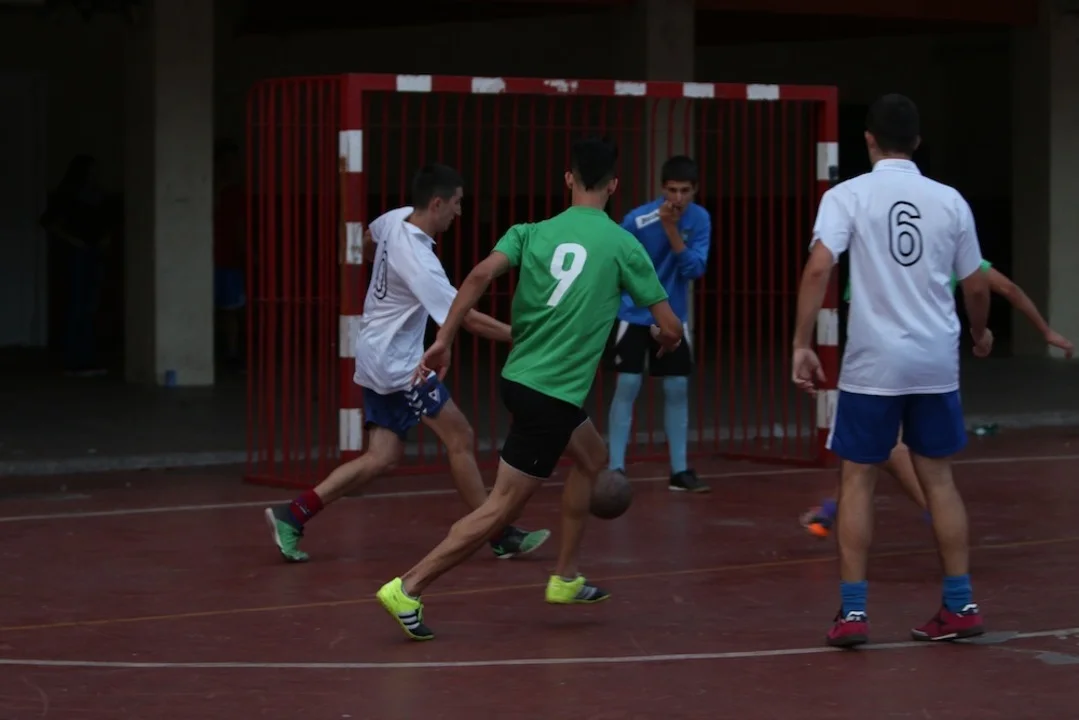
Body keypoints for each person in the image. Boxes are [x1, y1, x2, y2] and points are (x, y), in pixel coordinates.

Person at [375, 137, 684, 641]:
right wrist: (662, 340)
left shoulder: (529, 232)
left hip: (521, 380)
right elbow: (670, 327)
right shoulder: (624, 244)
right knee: (501, 507)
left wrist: (444, 339)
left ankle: (564, 576)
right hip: (552, 396)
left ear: (568, 179)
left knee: (592, 456)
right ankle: (408, 587)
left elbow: (478, 276)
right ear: (614, 185)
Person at [263, 164, 551, 563]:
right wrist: (525, 335)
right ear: (437, 203)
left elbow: (367, 240)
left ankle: (292, 515)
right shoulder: (420, 260)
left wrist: (385, 276)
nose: (459, 212)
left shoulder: (395, 218)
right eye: (457, 204)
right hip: (398, 364)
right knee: (460, 436)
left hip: (375, 352)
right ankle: (495, 532)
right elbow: (466, 317)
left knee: (381, 456)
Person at [790, 93, 992, 648]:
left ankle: (854, 614)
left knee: (857, 477)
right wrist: (979, 333)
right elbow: (975, 285)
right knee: (939, 479)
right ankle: (960, 604)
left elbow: (818, 268)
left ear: (868, 139)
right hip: (935, 360)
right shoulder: (950, 200)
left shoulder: (847, 195)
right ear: (918, 142)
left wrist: (801, 343)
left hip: (874, 362)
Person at [800, 262, 1074, 538]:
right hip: (933, 363)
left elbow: (855, 313)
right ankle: (834, 507)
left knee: (884, 444)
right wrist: (1045, 331)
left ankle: (936, 511)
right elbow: (1006, 288)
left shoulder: (874, 255)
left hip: (885, 363)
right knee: (875, 446)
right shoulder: (949, 249)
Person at [604, 156, 711, 493]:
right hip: (634, 313)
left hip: (673, 316)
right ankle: (615, 468)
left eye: (685, 191)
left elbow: (694, 269)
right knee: (628, 384)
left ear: (694, 190)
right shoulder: (637, 219)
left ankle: (679, 470)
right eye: (672, 190)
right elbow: (614, 257)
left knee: (676, 387)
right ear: (662, 188)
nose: (677, 198)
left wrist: (671, 231)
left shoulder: (700, 219)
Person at [40, 154, 113, 376]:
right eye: (92, 170)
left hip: (95, 252)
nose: (96, 175)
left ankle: (86, 357)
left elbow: (106, 222)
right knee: (77, 305)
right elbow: (48, 222)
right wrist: (74, 241)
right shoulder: (69, 194)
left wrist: (105, 239)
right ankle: (74, 359)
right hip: (78, 253)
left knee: (89, 306)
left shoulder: (98, 196)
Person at [213, 140, 247, 373]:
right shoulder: (227, 191)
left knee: (230, 310)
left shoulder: (231, 191)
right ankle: (232, 354)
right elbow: (239, 227)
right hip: (225, 258)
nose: (233, 166)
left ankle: (231, 353)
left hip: (226, 257)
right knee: (231, 311)